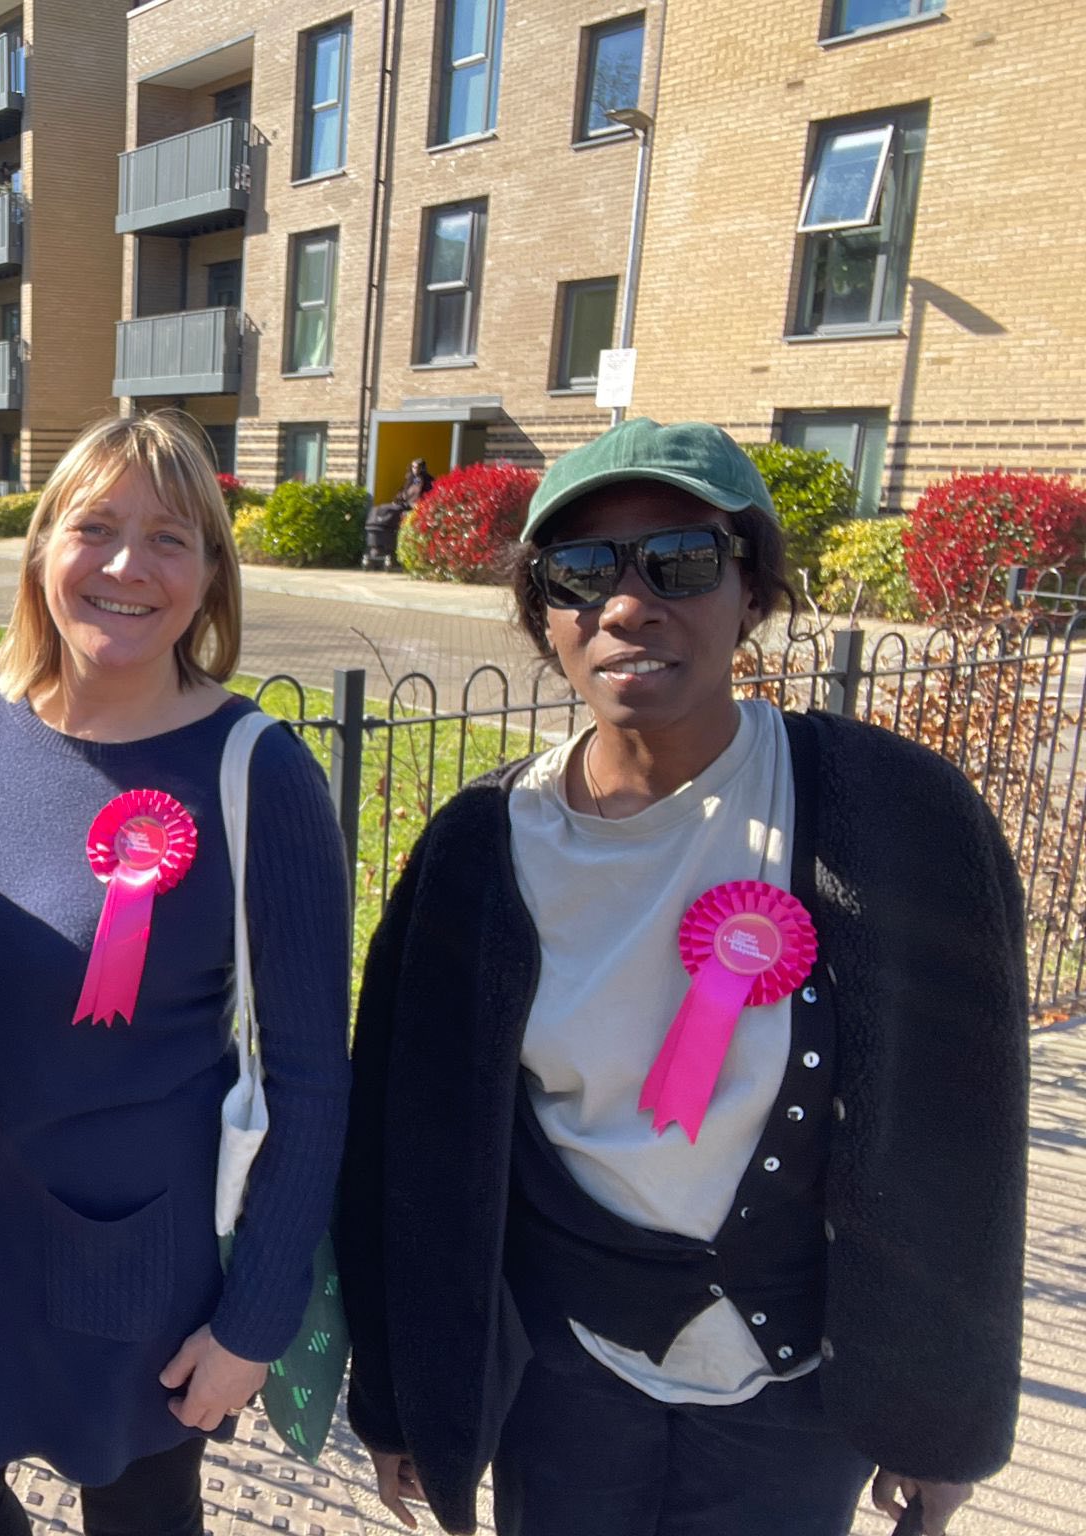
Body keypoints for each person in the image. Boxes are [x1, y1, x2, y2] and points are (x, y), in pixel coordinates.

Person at [338, 418, 1027, 1536]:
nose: (626, 604)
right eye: (578, 570)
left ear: (751, 590)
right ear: (543, 613)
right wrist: (398, 1394)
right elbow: (399, 1145)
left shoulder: (895, 816)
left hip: (799, 1397)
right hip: (563, 1383)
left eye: (681, 560)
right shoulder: (474, 852)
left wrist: (943, 1414)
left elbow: (962, 1136)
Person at [0, 412, 351, 1536]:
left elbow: (312, 1077)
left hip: (140, 1265)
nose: (126, 566)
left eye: (169, 538)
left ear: (210, 576)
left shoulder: (257, 770)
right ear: (41, 549)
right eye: (95, 528)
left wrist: (254, 1323)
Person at [363, 459, 434, 573]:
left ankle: (387, 551)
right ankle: (377, 547)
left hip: (414, 507)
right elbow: (402, 493)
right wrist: (398, 499)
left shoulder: (428, 481)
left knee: (392, 512)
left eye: (417, 467)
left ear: (422, 468)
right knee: (381, 509)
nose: (415, 470)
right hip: (404, 505)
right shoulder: (410, 479)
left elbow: (425, 496)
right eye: (413, 467)